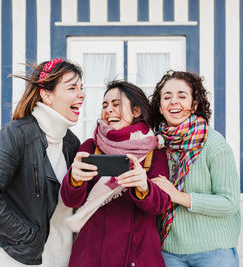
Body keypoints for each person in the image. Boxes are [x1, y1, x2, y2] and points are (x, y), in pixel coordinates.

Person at [0, 59, 85, 267]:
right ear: (46, 95)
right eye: (72, 88)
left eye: (82, 88)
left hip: (49, 256)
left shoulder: (71, 142)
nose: (81, 94)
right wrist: (28, 236)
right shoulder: (17, 134)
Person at [61, 80, 171, 267]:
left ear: (136, 111)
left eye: (116, 104)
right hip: (91, 256)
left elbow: (161, 205)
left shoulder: (154, 151)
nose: (108, 110)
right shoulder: (91, 146)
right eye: (105, 105)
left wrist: (144, 187)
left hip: (138, 256)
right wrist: (74, 179)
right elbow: (71, 201)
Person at [150, 70, 240, 267]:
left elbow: (229, 202)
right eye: (167, 97)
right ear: (160, 107)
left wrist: (178, 196)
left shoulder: (214, 143)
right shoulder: (155, 145)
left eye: (182, 96)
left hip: (214, 252)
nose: (174, 101)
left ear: (194, 105)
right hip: (169, 251)